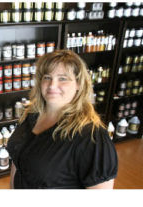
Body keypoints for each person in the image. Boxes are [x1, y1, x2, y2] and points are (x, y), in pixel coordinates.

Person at [6, 50, 118, 189]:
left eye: (63, 78)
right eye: (47, 77)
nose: (52, 85)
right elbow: (17, 162)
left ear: (78, 84)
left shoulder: (92, 137)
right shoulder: (32, 115)